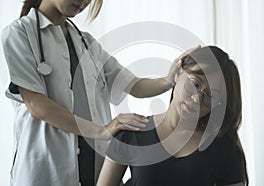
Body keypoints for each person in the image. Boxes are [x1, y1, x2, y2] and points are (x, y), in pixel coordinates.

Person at [1, 0, 181, 185]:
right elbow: (37, 105)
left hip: (94, 169)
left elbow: (133, 85)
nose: (85, 2)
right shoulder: (19, 33)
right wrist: (102, 131)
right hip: (46, 170)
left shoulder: (86, 42)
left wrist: (168, 80)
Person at [97, 46, 249, 186]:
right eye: (195, 84)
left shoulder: (224, 148)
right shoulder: (132, 131)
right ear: (177, 74)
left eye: (211, 95)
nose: (197, 99)